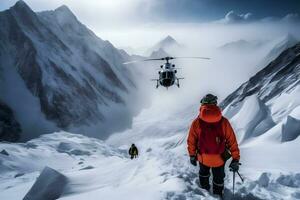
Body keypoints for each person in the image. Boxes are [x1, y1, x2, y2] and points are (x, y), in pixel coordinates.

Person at [187, 94, 240, 197]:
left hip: (203, 157)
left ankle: (205, 193)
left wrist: (192, 155)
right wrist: (235, 159)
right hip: (219, 158)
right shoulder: (223, 121)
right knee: (218, 178)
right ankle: (218, 194)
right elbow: (232, 141)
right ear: (215, 104)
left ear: (203, 104)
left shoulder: (197, 122)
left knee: (204, 174)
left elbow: (191, 140)